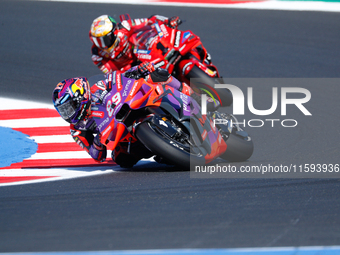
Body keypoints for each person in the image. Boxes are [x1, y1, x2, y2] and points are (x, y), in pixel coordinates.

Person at [52, 62, 196, 168]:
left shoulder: (98, 86)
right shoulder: (76, 130)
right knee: (121, 159)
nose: (68, 113)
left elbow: (119, 78)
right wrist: (98, 142)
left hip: (129, 103)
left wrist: (138, 70)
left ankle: (193, 96)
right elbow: (97, 156)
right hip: (120, 133)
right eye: (63, 110)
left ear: (81, 96)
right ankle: (166, 152)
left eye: (69, 107)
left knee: (157, 74)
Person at [89, 14, 181, 74]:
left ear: (114, 32)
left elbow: (148, 21)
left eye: (105, 39)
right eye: (98, 41)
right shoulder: (97, 55)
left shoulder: (125, 27)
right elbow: (112, 74)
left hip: (143, 54)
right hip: (131, 72)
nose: (102, 45)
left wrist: (167, 21)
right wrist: (130, 72)